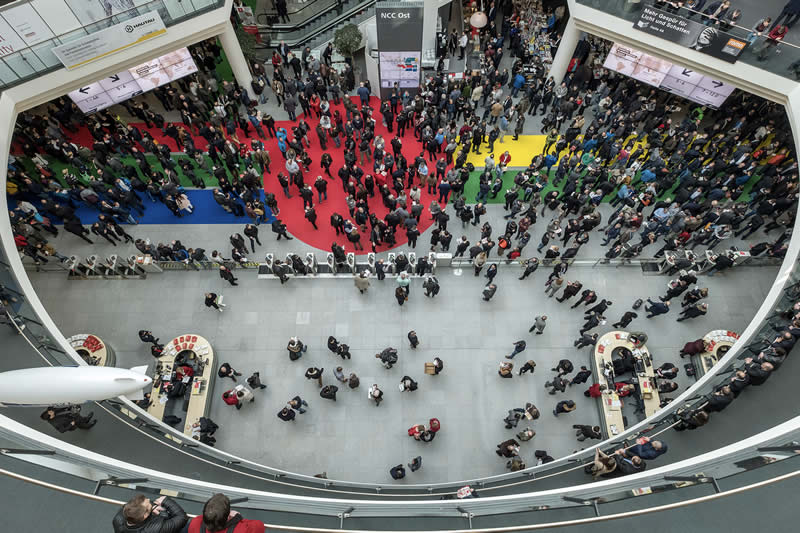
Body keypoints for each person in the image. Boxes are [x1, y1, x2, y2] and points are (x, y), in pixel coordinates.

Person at [186, 493, 265, 533]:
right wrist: (238, 518)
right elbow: (260, 526)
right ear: (228, 517)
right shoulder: (243, 529)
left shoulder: (195, 523)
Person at [112, 494, 187, 533]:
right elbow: (182, 518)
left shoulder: (119, 517)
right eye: (149, 504)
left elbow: (136, 507)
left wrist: (151, 508)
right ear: (145, 515)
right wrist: (166, 501)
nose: (149, 499)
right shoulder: (157, 529)